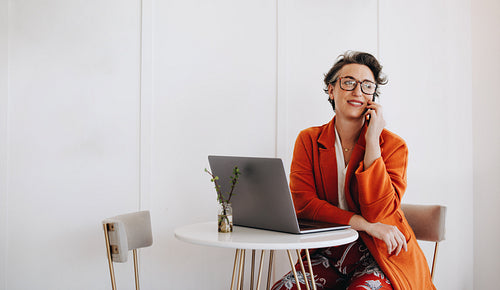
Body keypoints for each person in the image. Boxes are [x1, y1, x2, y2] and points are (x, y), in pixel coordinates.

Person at [271, 51, 435, 290]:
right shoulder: (308, 140)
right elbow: (304, 204)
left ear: (373, 96)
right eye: (348, 82)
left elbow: (378, 212)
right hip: (328, 252)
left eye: (367, 86)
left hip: (381, 252)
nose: (358, 91)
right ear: (331, 90)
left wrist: (372, 144)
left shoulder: (393, 146)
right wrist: (362, 224)